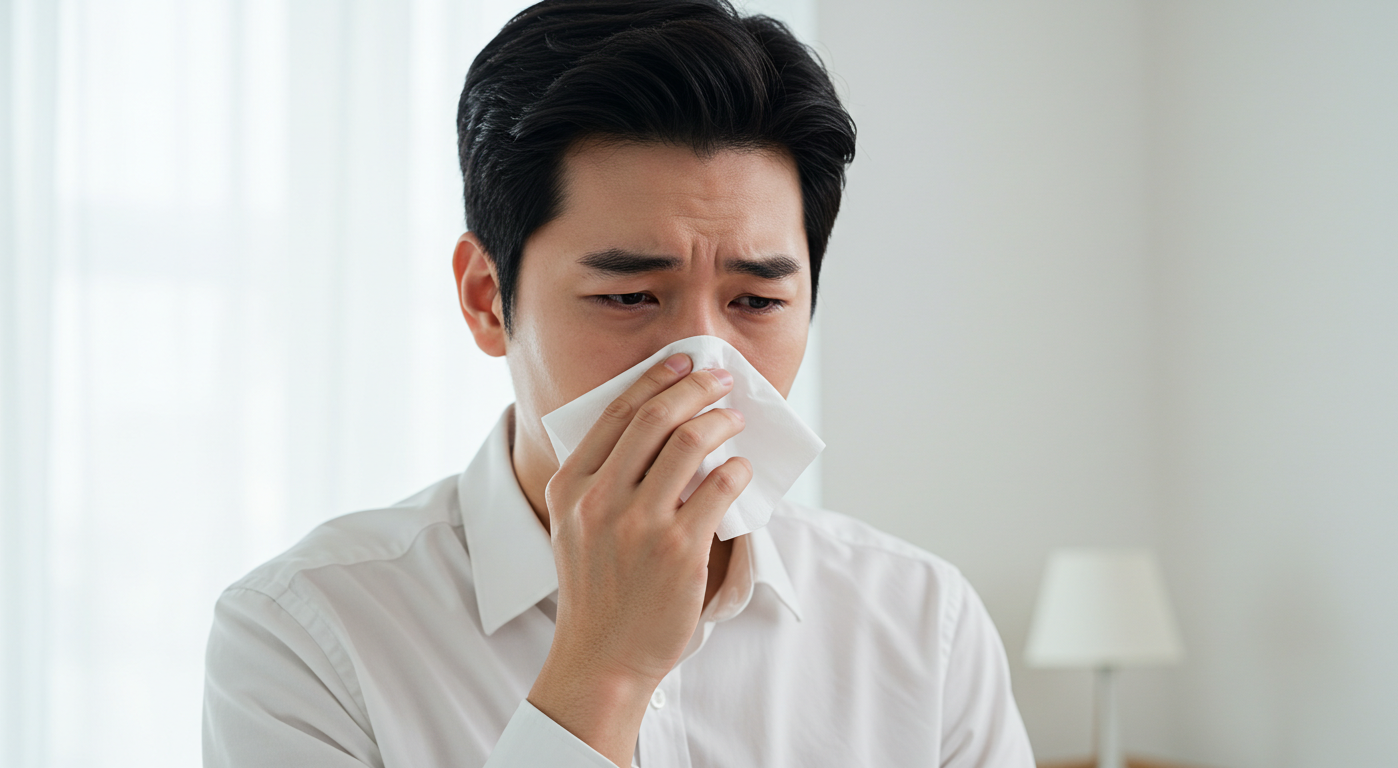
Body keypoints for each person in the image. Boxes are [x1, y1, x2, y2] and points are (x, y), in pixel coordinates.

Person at [202, 1, 1035, 766]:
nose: (705, 364)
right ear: (488, 299)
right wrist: (603, 669)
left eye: (756, 301)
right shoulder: (306, 634)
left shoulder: (925, 625)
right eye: (630, 297)